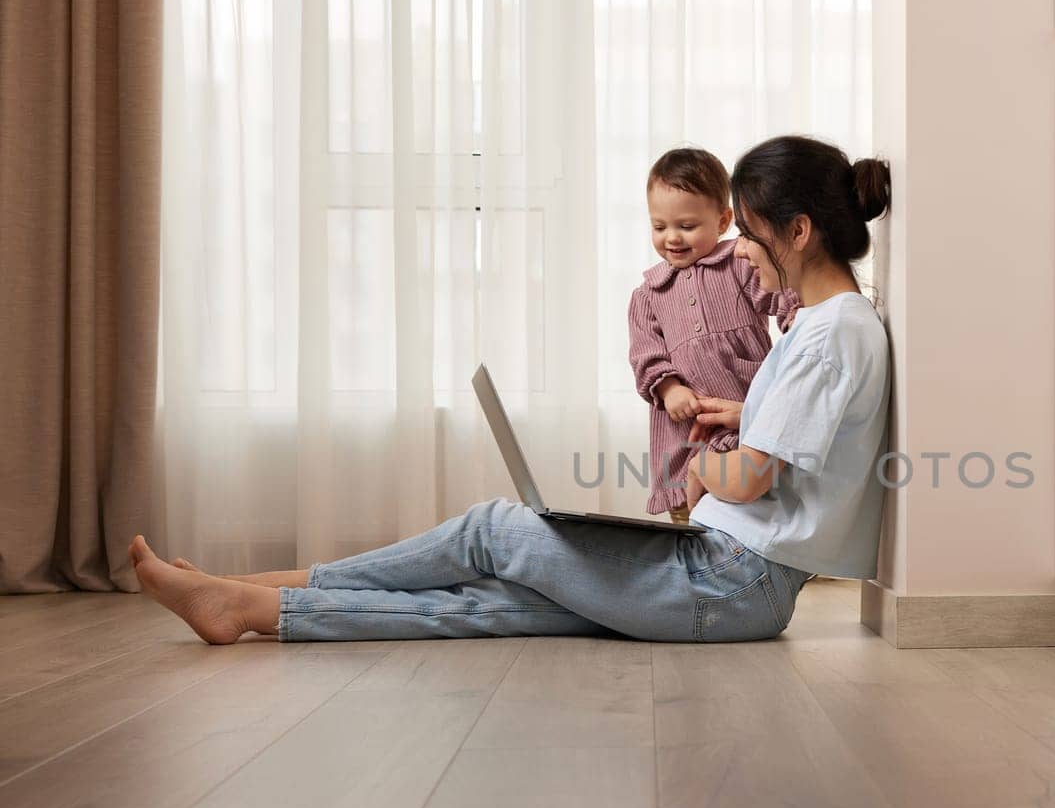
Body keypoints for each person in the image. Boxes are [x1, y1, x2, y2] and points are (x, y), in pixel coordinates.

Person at [130, 136, 892, 646]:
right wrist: (744, 411)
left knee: (492, 531)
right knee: (492, 605)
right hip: (733, 582)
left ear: (797, 232)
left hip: (732, 579)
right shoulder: (826, 327)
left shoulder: (830, 332)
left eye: (747, 236)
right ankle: (250, 603)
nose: (740, 256)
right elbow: (789, 449)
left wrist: (698, 470)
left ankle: (251, 588)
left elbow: (753, 475)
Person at [628, 147, 798, 525]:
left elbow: (783, 296)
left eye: (687, 226)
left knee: (750, 511)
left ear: (722, 220)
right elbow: (645, 355)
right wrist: (670, 388)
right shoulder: (648, 295)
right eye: (660, 227)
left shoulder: (740, 264)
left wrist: (797, 322)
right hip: (687, 431)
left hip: (743, 418)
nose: (672, 237)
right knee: (688, 519)